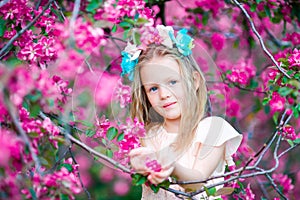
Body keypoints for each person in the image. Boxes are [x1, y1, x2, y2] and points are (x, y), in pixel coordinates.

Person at [121, 25, 243, 199]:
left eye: (172, 82)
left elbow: (198, 182)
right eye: (154, 88)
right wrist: (139, 162)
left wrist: (171, 166)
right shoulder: (147, 136)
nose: (164, 95)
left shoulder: (212, 130)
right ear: (145, 95)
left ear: (194, 81)